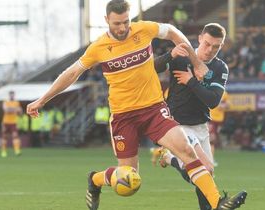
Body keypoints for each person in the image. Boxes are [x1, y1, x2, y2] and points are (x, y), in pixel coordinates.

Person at [27, 1, 246, 209]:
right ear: (106, 20)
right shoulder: (99, 48)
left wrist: (196, 62)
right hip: (124, 117)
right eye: (117, 23)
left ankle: (217, 202)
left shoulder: (143, 29)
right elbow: (72, 73)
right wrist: (42, 99)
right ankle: (94, 179)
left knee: (188, 152)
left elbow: (171, 30)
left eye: (125, 22)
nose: (123, 28)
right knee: (130, 180)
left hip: (154, 109)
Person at [152, 23, 246, 210]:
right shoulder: (182, 56)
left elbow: (213, 101)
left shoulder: (220, 68)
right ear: (200, 38)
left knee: (207, 173)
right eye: (207, 44)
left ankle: (168, 158)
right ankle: (217, 202)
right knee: (204, 168)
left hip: (200, 126)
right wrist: (170, 54)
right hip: (177, 125)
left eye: (216, 47)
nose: (210, 50)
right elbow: (152, 68)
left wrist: (192, 81)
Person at [209, 91, 229, 166]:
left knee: (213, 140)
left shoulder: (225, 93)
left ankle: (210, 158)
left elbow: (228, 105)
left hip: (220, 120)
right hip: (211, 118)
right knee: (211, 139)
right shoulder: (211, 90)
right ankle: (210, 159)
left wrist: (224, 106)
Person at [1, 90, 23, 157]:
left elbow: (20, 112)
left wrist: (11, 109)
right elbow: (6, 110)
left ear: (14, 95)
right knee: (5, 137)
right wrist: (15, 109)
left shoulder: (16, 102)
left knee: (15, 135)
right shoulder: (5, 101)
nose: (12, 96)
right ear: (9, 95)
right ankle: (3, 152)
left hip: (13, 122)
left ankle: (17, 150)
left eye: (13, 94)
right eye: (11, 94)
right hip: (6, 122)